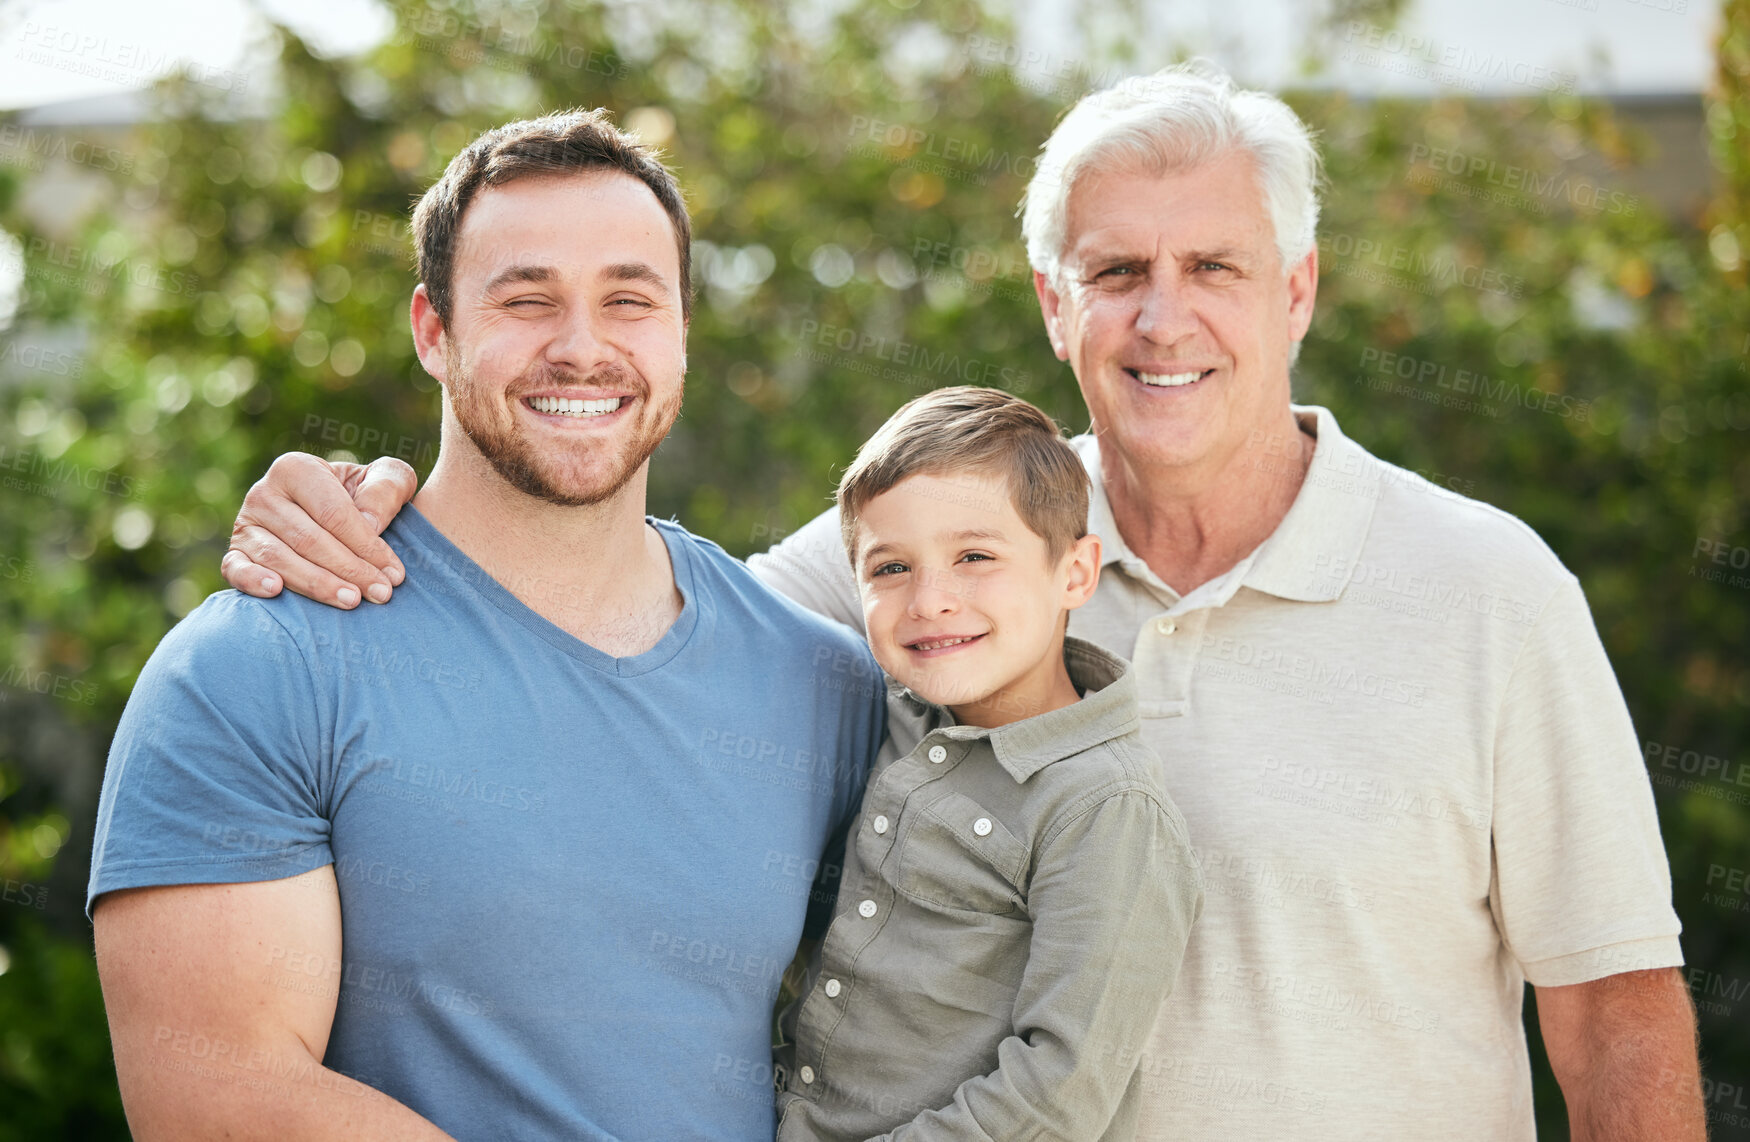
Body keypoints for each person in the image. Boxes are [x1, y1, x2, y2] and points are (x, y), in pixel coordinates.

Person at [219, 64, 1705, 1140]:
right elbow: (623, 591)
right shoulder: (941, 553)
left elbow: (1615, 1018)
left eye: (1214, 269)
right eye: (1113, 271)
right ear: (1053, 302)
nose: (1161, 316)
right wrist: (363, 491)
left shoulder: (1485, 587)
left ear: (1298, 289)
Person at [87, 109, 885, 1141]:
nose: (581, 347)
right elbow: (218, 1100)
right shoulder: (259, 665)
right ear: (433, 329)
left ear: (682, 328)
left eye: (629, 300)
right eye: (527, 298)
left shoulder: (822, 681)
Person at [773, 386, 1202, 1140]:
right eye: (890, 568)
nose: (931, 600)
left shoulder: (1104, 805)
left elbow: (1059, 1087)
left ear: (1074, 573)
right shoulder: (887, 716)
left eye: (975, 556)